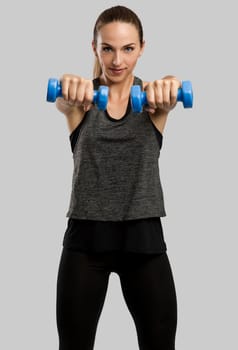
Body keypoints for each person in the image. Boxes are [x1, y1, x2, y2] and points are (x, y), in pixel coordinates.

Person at [55, 5, 180, 350]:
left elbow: (170, 87)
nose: (117, 60)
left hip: (143, 238)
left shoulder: (154, 101)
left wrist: (170, 83)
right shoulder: (80, 100)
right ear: (94, 47)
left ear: (141, 48)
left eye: (127, 48)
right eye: (107, 47)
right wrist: (69, 83)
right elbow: (64, 100)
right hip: (86, 240)